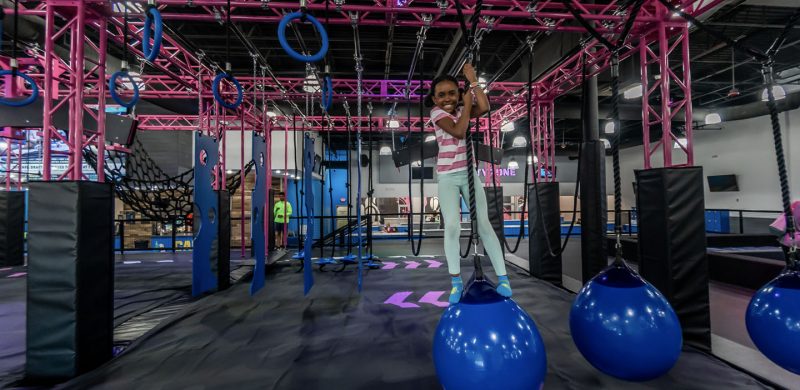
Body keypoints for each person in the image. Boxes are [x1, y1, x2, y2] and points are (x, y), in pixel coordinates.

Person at [426, 63, 512, 304]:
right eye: (441, 95)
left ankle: (504, 278)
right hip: (447, 177)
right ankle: (455, 281)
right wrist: (465, 104)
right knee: (452, 226)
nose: (447, 98)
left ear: (458, 93)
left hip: (468, 173)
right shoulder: (436, 113)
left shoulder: (462, 108)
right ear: (434, 99)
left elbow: (484, 106)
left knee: (484, 224)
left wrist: (473, 81)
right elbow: (459, 131)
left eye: (452, 93)